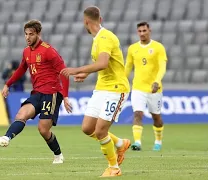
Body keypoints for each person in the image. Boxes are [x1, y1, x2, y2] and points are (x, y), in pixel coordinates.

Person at [0, 20, 72, 164]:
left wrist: (66, 96)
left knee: (43, 130)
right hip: (37, 92)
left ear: (38, 34)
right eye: (26, 34)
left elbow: (64, 72)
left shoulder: (48, 50)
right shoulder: (26, 51)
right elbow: (21, 69)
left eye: (31, 34)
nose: (28, 37)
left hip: (52, 93)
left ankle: (58, 155)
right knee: (21, 114)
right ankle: (6, 138)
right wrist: (8, 84)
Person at [61, 6, 131, 177]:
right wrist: (85, 73)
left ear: (86, 22)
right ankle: (121, 144)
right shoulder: (98, 38)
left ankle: (114, 168)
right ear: (100, 19)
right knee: (87, 128)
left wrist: (76, 70)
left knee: (100, 131)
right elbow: (103, 66)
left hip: (116, 89)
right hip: (101, 88)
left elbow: (103, 63)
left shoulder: (105, 37)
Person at [125, 22, 168, 151]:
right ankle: (137, 142)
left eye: (144, 30)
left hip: (154, 89)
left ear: (150, 31)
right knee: (138, 113)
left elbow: (162, 66)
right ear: (137, 32)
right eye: (140, 31)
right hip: (138, 87)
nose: (142, 33)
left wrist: (157, 81)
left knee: (156, 118)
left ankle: (158, 141)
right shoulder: (133, 48)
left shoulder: (158, 47)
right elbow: (128, 67)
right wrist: (121, 80)